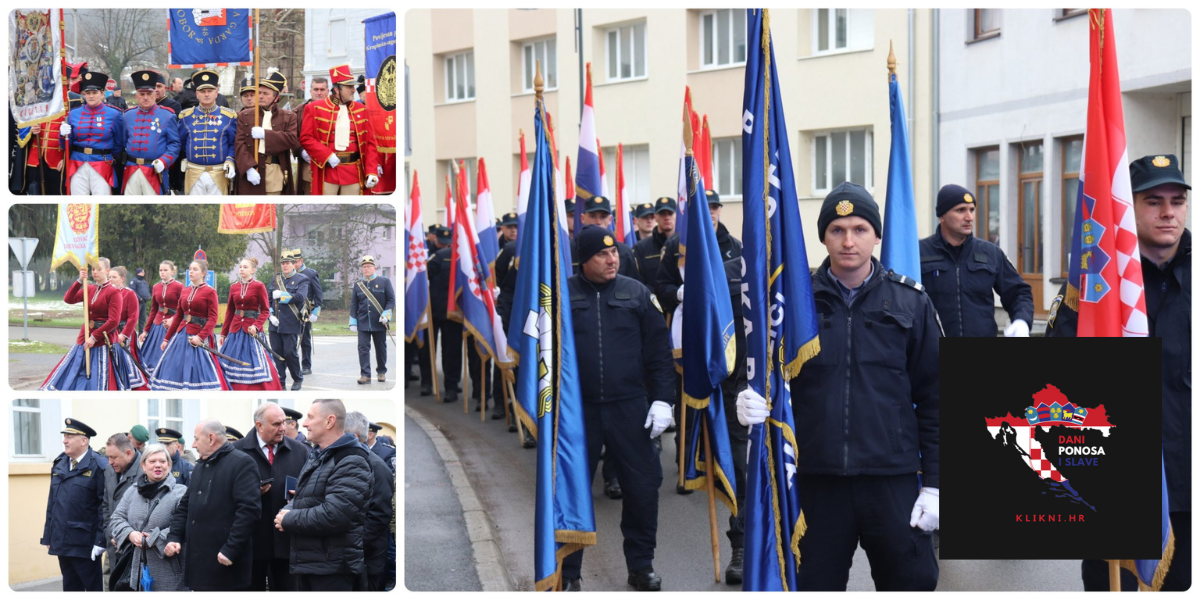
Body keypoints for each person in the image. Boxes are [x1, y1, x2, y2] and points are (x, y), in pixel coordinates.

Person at [736, 182, 940, 591]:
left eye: (860, 229)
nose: (849, 241)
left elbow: (937, 399)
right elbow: (767, 375)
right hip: (817, 480)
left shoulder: (911, 302)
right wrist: (748, 398)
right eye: (837, 230)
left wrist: (936, 485)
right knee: (813, 586)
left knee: (912, 583)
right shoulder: (793, 305)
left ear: (877, 235)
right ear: (823, 237)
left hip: (891, 478)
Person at [1047, 155, 1191, 592]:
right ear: (1127, 209)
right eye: (1154, 201)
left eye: (1177, 200)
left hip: (1190, 484)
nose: (1169, 212)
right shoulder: (1094, 289)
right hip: (1115, 484)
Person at [560, 226, 675, 591]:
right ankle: (568, 571)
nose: (612, 260)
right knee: (573, 491)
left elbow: (659, 354)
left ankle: (641, 565)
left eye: (614, 253)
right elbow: (541, 357)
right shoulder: (561, 295)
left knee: (642, 488)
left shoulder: (637, 293)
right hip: (579, 412)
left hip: (630, 408)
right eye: (602, 255)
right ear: (584, 260)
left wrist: (662, 400)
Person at [274, 399, 372, 591]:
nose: (304, 423)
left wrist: (289, 519)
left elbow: (335, 515)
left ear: (329, 421)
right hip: (314, 564)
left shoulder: (351, 459)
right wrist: (286, 512)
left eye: (310, 417)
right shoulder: (319, 455)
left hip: (333, 570)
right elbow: (301, 497)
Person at [919, 184, 1033, 337]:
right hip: (933, 354)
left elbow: (1019, 292)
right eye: (960, 210)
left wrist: (1022, 321)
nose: (969, 217)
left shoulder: (990, 253)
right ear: (941, 216)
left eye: (971, 210)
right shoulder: (920, 253)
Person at [165, 420, 260, 591]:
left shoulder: (241, 463)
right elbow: (186, 506)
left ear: (211, 438)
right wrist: (174, 537)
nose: (193, 445)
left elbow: (249, 512)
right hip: (199, 562)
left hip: (224, 562)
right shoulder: (201, 465)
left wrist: (231, 550)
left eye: (196, 439)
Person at [232, 402, 308, 592]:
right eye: (276, 424)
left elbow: (312, 489)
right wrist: (249, 493)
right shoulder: (236, 451)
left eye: (284, 422)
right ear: (259, 425)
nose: (282, 428)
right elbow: (224, 494)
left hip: (287, 542)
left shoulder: (301, 451)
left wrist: (302, 494)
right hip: (250, 543)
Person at [42, 419, 110, 591]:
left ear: (84, 440)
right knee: (70, 588)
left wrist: (101, 541)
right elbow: (52, 503)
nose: (64, 440)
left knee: (92, 588)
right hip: (62, 540)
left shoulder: (98, 465)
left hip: (85, 543)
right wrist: (48, 534)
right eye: (65, 436)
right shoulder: (60, 463)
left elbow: (104, 506)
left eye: (69, 436)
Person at [109, 443, 188, 591]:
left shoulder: (181, 492)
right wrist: (130, 534)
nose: (158, 465)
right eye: (152, 461)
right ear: (143, 466)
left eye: (162, 461)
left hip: (169, 570)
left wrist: (154, 538)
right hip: (136, 571)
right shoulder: (131, 492)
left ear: (169, 465)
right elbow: (116, 519)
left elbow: (184, 525)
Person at [40, 259, 123, 390]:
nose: (95, 272)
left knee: (98, 373)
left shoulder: (114, 292)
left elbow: (114, 321)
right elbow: (68, 299)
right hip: (84, 335)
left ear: (107, 271)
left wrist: (94, 337)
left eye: (99, 269)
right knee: (75, 367)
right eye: (93, 269)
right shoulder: (88, 288)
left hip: (102, 339)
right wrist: (79, 280)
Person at [299, 64, 381, 195]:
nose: (353, 90)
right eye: (349, 87)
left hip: (353, 172)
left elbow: (370, 144)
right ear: (337, 89)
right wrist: (326, 155)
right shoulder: (315, 108)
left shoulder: (362, 110)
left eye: (353, 86)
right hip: (327, 171)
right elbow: (306, 138)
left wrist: (372, 171)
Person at [151, 259, 230, 390]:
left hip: (199, 335)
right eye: (190, 269)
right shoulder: (185, 290)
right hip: (182, 334)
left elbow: (213, 319)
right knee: (173, 366)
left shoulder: (210, 292)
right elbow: (178, 316)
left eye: (195, 269)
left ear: (203, 273)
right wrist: (167, 338)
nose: (191, 272)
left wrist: (200, 337)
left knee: (199, 370)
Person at [346, 412, 396, 591]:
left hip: (368, 556)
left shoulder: (377, 466)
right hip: (351, 556)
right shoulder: (349, 462)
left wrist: (354, 545)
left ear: (352, 437)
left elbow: (379, 515)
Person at [216, 257, 282, 390]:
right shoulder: (234, 287)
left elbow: (265, 311)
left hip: (251, 330)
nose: (241, 269)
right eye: (240, 267)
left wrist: (256, 326)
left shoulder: (259, 286)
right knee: (227, 363)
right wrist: (223, 333)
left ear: (253, 270)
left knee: (256, 362)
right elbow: (230, 311)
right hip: (235, 331)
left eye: (245, 267)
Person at [60, 71, 126, 195]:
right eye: (88, 93)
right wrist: (63, 135)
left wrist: (109, 156)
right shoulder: (73, 114)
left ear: (102, 94)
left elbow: (119, 143)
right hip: (77, 163)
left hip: (102, 163)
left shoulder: (115, 114)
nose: (91, 96)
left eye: (95, 93)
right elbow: (66, 146)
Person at [235, 71, 298, 195]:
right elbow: (239, 144)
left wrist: (265, 134)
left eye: (265, 93)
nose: (261, 96)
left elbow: (291, 139)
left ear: (276, 97)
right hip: (252, 169)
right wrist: (248, 168)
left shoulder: (289, 116)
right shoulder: (244, 115)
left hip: (274, 170)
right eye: (259, 93)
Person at [177, 69, 239, 195]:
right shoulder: (186, 116)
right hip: (194, 171)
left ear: (216, 93)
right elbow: (181, 142)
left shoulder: (228, 116)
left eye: (210, 91)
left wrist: (230, 161)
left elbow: (234, 143)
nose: (206, 94)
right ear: (196, 94)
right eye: (203, 91)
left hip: (219, 172)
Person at [119, 71, 180, 196]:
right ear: (136, 95)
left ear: (155, 94)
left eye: (149, 93)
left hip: (155, 171)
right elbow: (122, 142)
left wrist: (164, 161)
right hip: (131, 170)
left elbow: (174, 144)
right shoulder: (127, 115)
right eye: (142, 94)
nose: (145, 97)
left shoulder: (168, 115)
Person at [269, 251, 310, 390]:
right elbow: (268, 299)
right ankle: (280, 381)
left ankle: (297, 378)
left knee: (289, 352)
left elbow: (300, 297)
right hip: (275, 322)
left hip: (291, 322)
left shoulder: (302, 279)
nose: (285, 266)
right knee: (277, 352)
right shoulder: (276, 278)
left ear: (294, 265)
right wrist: (270, 314)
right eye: (282, 263)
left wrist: (282, 295)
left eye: (287, 263)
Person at [350, 254, 394, 385]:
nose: (366, 269)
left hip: (379, 322)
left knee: (380, 348)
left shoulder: (384, 282)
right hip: (363, 322)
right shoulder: (358, 285)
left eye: (369, 266)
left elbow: (391, 300)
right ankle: (365, 374)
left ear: (374, 268)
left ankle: (381, 371)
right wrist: (353, 320)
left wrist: (386, 314)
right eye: (364, 267)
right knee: (363, 348)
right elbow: (354, 304)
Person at [102, 433, 143, 569]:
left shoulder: (145, 471)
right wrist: (110, 531)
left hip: (135, 547)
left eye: (113, 457)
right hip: (113, 544)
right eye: (108, 457)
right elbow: (106, 505)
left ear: (128, 453)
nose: (110, 462)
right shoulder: (109, 470)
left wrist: (125, 535)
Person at [571, 196, 637, 277]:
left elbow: (633, 284)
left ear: (610, 219)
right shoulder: (569, 250)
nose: (598, 222)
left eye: (603, 217)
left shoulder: (624, 251)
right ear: (583, 218)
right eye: (592, 216)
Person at [137, 260, 183, 377]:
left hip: (172, 325)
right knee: (150, 357)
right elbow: (153, 310)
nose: (162, 272)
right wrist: (146, 330)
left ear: (172, 271)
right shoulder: (156, 286)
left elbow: (183, 308)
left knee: (168, 357)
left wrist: (173, 319)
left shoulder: (179, 286)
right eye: (160, 270)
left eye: (165, 270)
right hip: (157, 326)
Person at [108, 267, 150, 391]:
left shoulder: (129, 293)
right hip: (110, 332)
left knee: (128, 361)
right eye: (109, 277)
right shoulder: (107, 292)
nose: (111, 280)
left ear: (122, 279)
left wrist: (124, 334)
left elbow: (133, 317)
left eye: (114, 277)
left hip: (124, 332)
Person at [294, 76, 330, 195]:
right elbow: (292, 135)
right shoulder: (298, 111)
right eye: (316, 89)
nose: (319, 93)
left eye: (322, 89)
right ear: (310, 91)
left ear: (328, 91)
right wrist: (301, 151)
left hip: (332, 165)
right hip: (308, 164)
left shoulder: (337, 109)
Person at [631, 196, 676, 289]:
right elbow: (637, 281)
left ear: (677, 215)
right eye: (662, 214)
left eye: (670, 213)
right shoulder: (641, 247)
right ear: (656, 217)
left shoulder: (683, 245)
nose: (667, 217)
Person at [293, 250, 323, 375]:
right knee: (291, 340)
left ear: (301, 261)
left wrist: (316, 311)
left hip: (306, 312)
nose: (293, 264)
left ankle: (306, 365)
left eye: (295, 262)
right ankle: (292, 365)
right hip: (292, 310)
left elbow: (318, 294)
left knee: (305, 340)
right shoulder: (289, 274)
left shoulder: (310, 274)